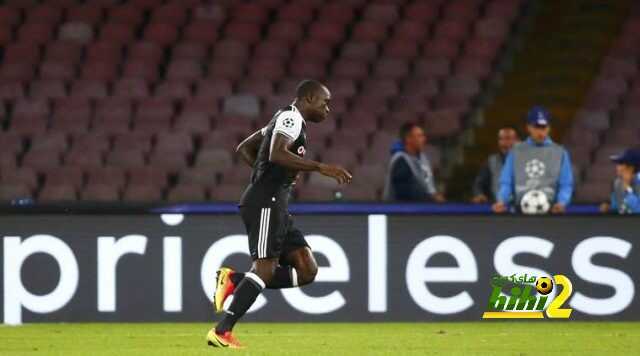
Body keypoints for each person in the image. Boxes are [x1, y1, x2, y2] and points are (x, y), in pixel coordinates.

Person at [206, 80, 352, 348]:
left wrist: (273, 176)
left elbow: (245, 149)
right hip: (265, 202)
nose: (328, 108)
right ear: (308, 98)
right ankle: (222, 331)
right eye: (325, 101)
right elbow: (275, 154)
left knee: (307, 269)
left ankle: (234, 279)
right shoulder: (290, 118)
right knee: (264, 268)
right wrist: (320, 167)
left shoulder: (282, 118)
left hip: (276, 203)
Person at [492, 106, 574, 214]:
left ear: (549, 128)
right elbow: (506, 181)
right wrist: (502, 201)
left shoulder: (560, 152)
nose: (540, 131)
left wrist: (562, 203)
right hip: (519, 212)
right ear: (528, 127)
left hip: (551, 213)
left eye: (544, 127)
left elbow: (566, 184)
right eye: (536, 127)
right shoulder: (515, 151)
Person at [383, 122, 446, 202]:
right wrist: (432, 199)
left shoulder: (423, 158)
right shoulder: (400, 161)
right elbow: (405, 194)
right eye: (420, 136)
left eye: (423, 136)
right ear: (408, 139)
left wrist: (434, 195)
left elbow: (427, 185)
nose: (424, 139)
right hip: (402, 211)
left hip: (422, 208)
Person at [471, 127, 520, 203]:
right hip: (497, 207)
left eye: (508, 138)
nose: (504, 143)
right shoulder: (491, 161)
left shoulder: (527, 160)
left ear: (517, 141)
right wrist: (479, 195)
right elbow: (479, 184)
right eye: (501, 139)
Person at [600, 148, 640, 214]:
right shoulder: (618, 183)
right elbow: (619, 209)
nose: (617, 167)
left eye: (620, 163)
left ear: (631, 167)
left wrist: (627, 188)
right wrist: (609, 208)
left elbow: (638, 210)